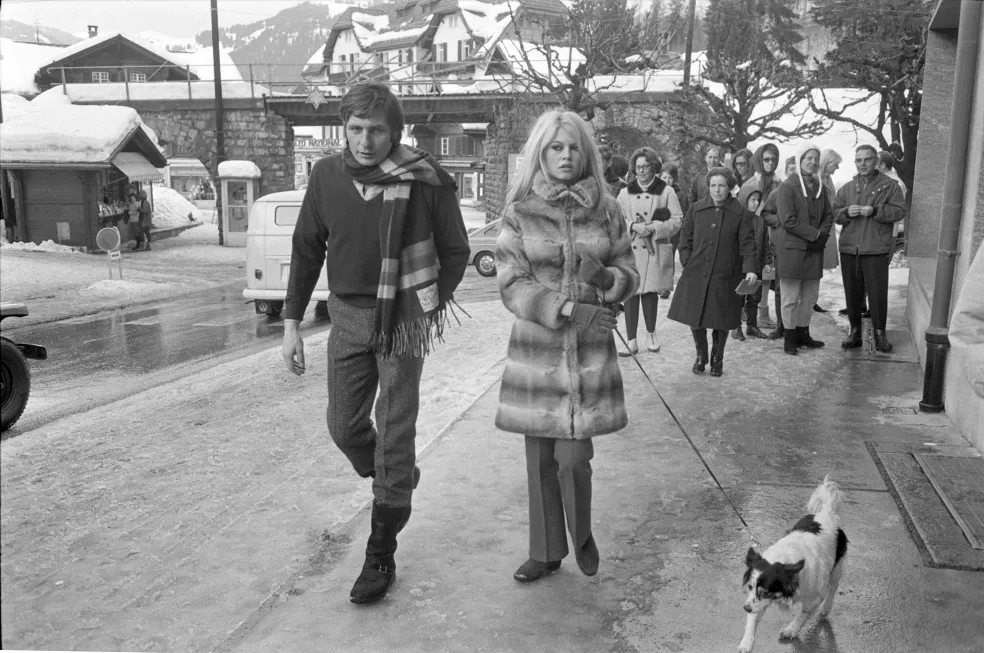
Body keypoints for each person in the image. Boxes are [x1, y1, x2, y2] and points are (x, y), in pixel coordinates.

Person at [280, 82, 470, 604]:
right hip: (346, 317)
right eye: (356, 129)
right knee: (344, 426)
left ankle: (379, 553)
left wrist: (424, 304)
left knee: (394, 426)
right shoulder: (326, 176)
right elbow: (305, 249)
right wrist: (292, 321)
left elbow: (456, 252)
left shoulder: (426, 181)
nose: (365, 141)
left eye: (377, 130)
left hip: (402, 322)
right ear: (344, 129)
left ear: (396, 132)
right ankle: (397, 475)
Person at [495, 109, 639, 583]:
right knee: (539, 460)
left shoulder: (608, 207)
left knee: (574, 459)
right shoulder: (520, 211)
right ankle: (545, 550)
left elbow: (629, 272)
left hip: (590, 354)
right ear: (541, 151)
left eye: (573, 147)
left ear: (586, 153)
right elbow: (511, 283)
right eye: (556, 147)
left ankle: (581, 534)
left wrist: (608, 279)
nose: (565, 155)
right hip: (537, 354)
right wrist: (567, 308)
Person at [668, 167, 758, 376]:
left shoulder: (740, 213)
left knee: (721, 318)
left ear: (730, 187)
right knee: (695, 316)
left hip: (725, 274)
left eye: (722, 186)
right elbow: (685, 240)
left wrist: (751, 270)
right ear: (708, 187)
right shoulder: (696, 209)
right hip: (696, 272)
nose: (717, 190)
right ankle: (701, 356)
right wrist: (687, 261)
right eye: (713, 186)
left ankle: (718, 359)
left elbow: (748, 244)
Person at [833, 145, 906, 352]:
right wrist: (846, 212)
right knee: (853, 294)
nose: (862, 164)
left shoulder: (890, 186)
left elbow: (900, 211)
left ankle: (880, 334)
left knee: (877, 293)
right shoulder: (847, 188)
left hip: (876, 248)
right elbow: (835, 214)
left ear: (875, 161)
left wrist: (875, 210)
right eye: (859, 160)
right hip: (850, 249)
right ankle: (855, 332)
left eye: (867, 159)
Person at [616, 147, 682, 355]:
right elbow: (615, 220)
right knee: (631, 293)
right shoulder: (625, 193)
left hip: (654, 248)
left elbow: (677, 220)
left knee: (650, 292)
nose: (641, 171)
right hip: (632, 249)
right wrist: (633, 227)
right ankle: (631, 339)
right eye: (637, 167)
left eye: (645, 167)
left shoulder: (666, 191)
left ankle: (652, 333)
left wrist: (654, 227)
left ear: (654, 167)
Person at [773, 143, 834, 355]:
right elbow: (787, 220)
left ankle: (803, 333)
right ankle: (789, 337)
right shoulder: (787, 187)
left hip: (813, 250)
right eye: (808, 158)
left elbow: (828, 215)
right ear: (800, 160)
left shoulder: (820, 187)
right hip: (792, 250)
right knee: (790, 298)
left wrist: (823, 234)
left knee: (810, 296)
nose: (812, 162)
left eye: (816, 158)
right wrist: (815, 234)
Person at [739, 143, 783, 333]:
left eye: (774, 159)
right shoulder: (750, 184)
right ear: (758, 160)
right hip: (754, 232)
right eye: (766, 159)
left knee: (769, 273)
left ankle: (763, 312)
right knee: (753, 275)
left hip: (774, 232)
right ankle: (751, 315)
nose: (770, 163)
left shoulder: (779, 183)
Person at [733, 186, 770, 340]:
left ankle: (752, 326)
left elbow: (766, 243)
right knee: (738, 298)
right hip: (741, 266)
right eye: (752, 200)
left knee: (754, 297)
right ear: (743, 200)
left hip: (757, 265)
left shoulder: (761, 221)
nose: (756, 203)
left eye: (758, 200)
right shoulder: (736, 220)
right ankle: (735, 327)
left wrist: (767, 261)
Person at [815, 148, 844, 313]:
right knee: (814, 263)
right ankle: (810, 298)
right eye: (836, 164)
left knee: (819, 265)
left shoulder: (828, 179)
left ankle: (813, 298)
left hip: (828, 225)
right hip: (820, 226)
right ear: (827, 163)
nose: (837, 168)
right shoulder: (816, 180)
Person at [660, 162, 688, 299]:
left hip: (674, 233)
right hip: (659, 230)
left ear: (674, 179)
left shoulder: (680, 195)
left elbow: (683, 214)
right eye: (664, 177)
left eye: (670, 178)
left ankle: (666, 287)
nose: (667, 181)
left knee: (669, 258)